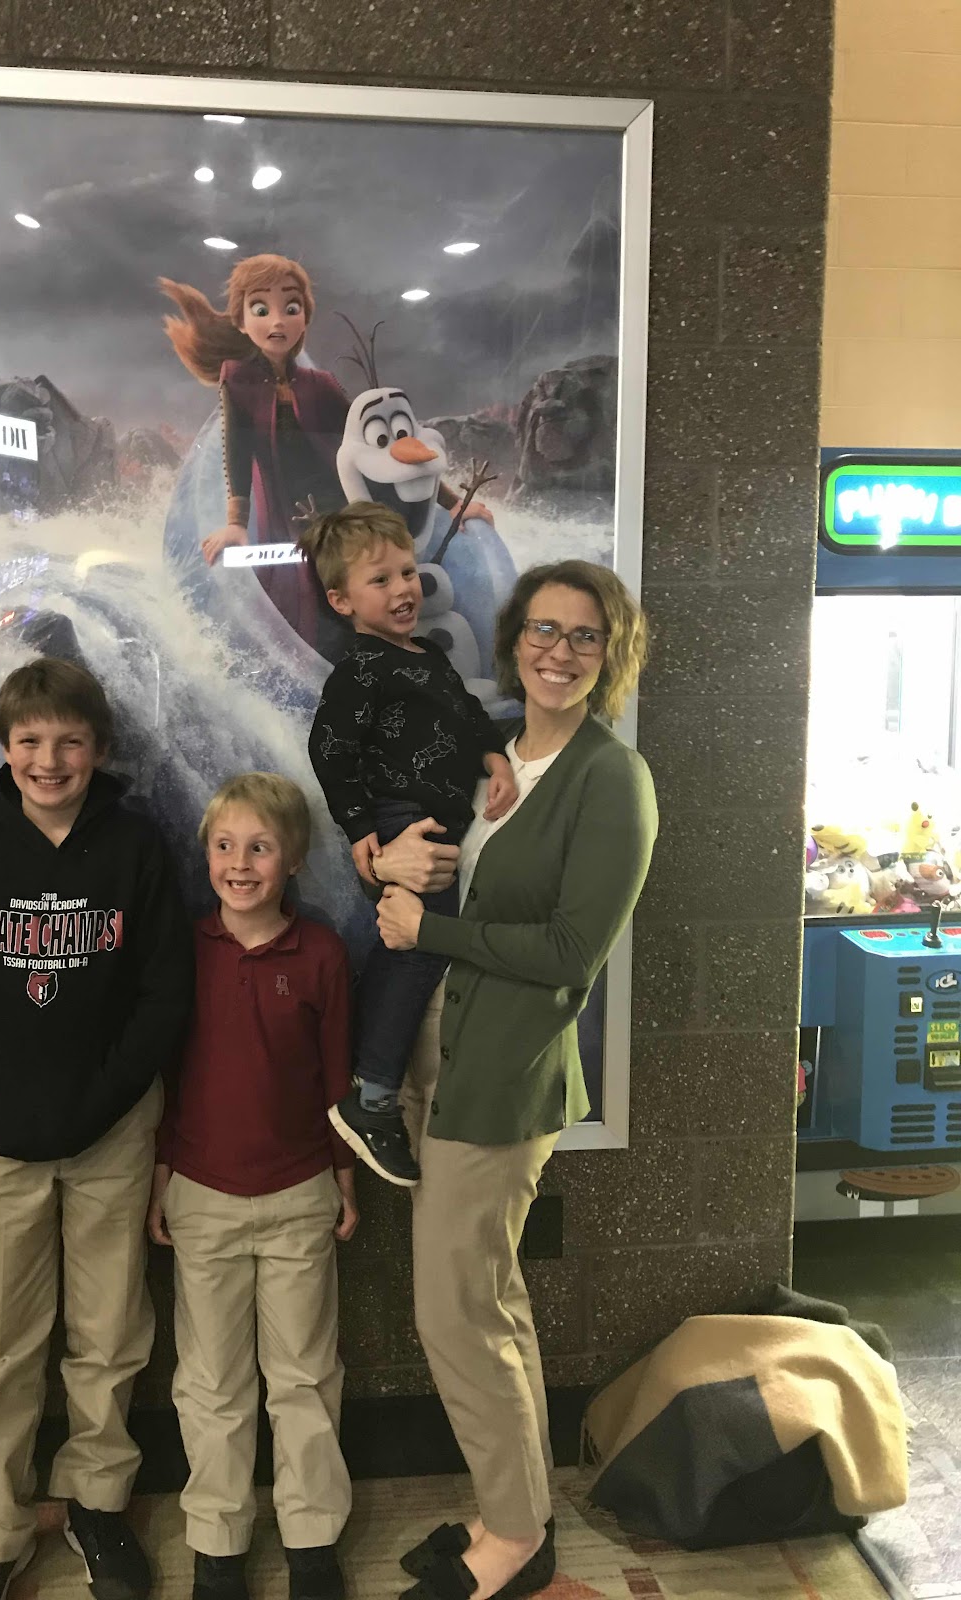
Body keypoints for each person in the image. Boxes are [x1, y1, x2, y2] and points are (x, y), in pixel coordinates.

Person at [373, 561, 657, 1600]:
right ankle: (519, 1513)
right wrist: (389, 866)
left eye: (585, 635)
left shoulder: (611, 779)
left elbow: (575, 952)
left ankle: (511, 1537)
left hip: (504, 1077)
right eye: (544, 629)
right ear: (514, 638)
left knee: (456, 1313)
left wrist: (432, 930)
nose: (559, 651)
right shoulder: (491, 750)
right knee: (489, 1301)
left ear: (611, 654)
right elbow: (426, 863)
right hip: (435, 1051)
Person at [0, 658, 192, 1600]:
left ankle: (97, 1507)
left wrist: (104, 1101)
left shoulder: (136, 847)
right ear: (5, 747)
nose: (49, 759)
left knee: (109, 1331)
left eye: (70, 741)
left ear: (99, 749)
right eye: (30, 740)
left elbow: (164, 995)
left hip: (113, 1128)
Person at [148, 773, 358, 1600]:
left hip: (300, 1193)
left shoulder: (322, 955)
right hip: (201, 1195)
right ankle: (218, 1543)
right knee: (210, 1383)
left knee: (304, 1376)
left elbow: (338, 1077)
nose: (240, 863)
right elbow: (167, 1074)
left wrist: (345, 1180)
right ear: (205, 854)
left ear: (294, 859)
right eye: (225, 846)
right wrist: (161, 1177)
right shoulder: (182, 951)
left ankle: (312, 1539)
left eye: (260, 847)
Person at [301, 503, 516, 1187]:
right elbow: (330, 750)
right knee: (420, 947)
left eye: (405, 572)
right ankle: (371, 1099)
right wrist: (363, 830)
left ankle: (366, 1074)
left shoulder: (428, 657)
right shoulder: (361, 669)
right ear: (342, 601)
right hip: (403, 820)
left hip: (440, 821)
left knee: (409, 946)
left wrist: (495, 757)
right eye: (379, 580)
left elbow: (469, 716)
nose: (402, 589)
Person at [159, 255, 354, 660]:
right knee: (300, 602)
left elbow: (373, 441)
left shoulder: (321, 384)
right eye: (261, 309)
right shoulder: (239, 380)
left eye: (291, 307)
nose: (278, 321)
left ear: (305, 317)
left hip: (340, 509)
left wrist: (451, 501)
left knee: (348, 594)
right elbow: (238, 448)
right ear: (242, 321)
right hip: (283, 515)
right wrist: (236, 522)